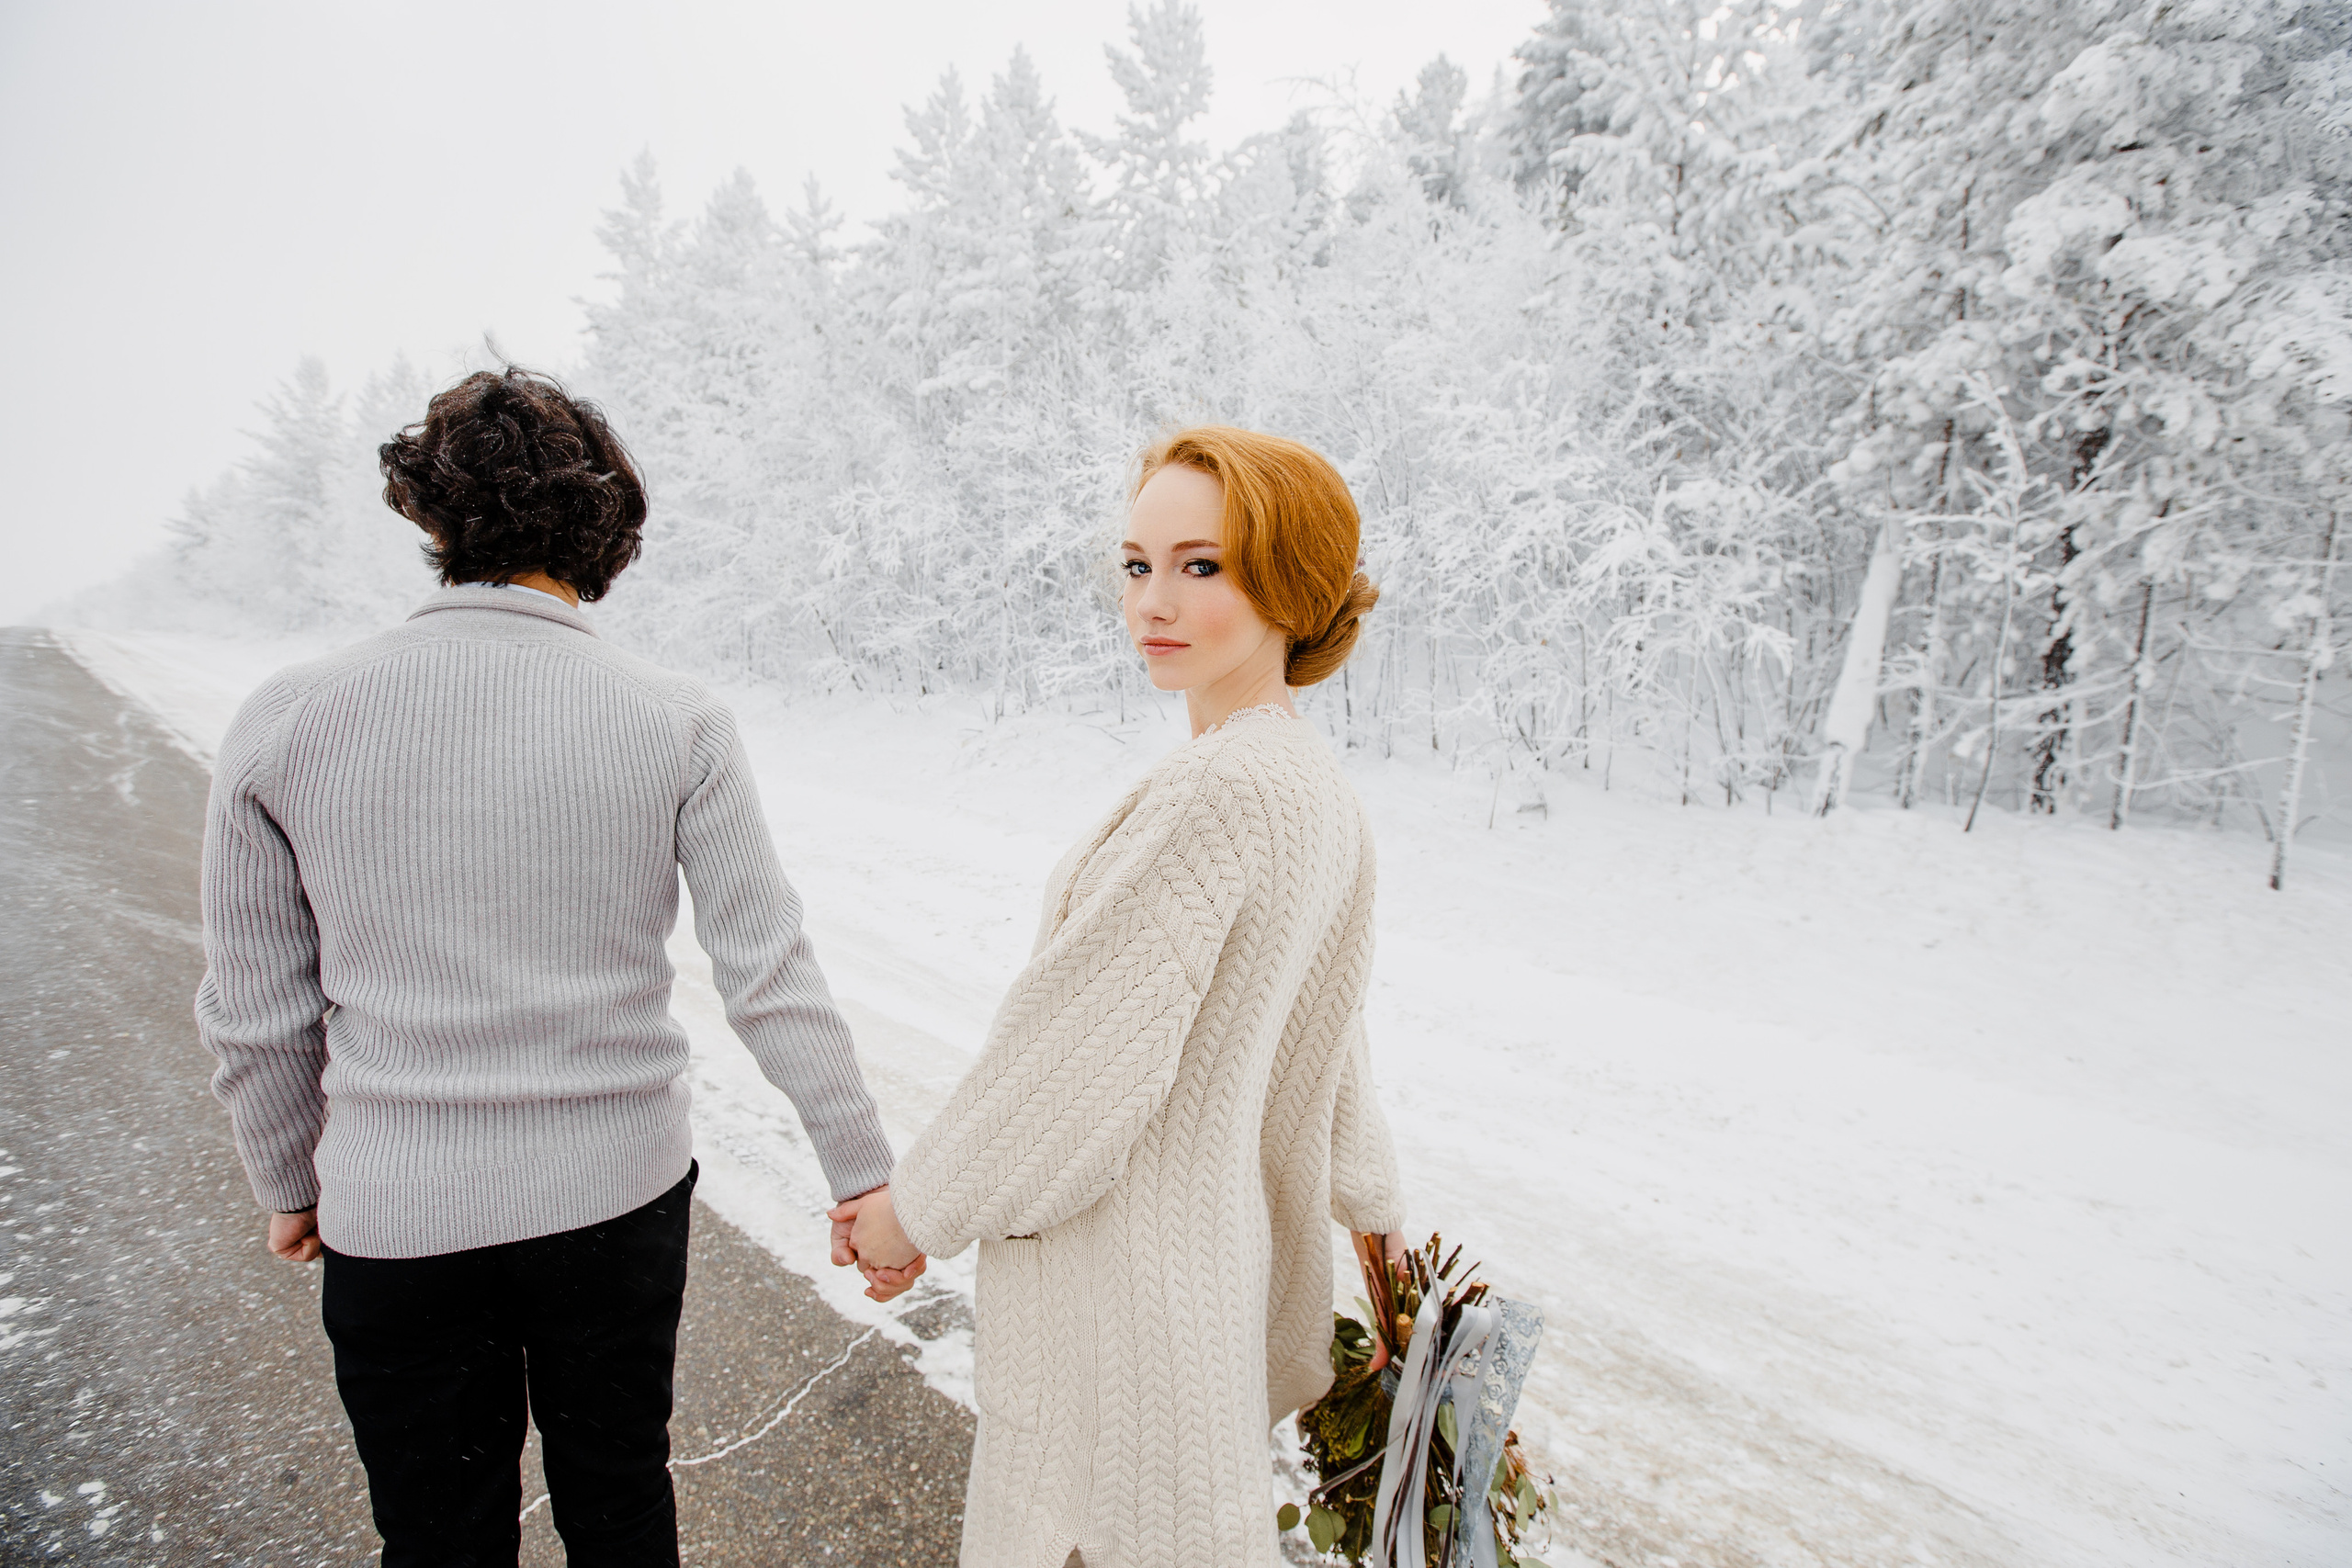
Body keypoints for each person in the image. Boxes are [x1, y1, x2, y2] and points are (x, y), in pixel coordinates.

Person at [194, 367, 913, 1566]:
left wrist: (290, 1176)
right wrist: (865, 1176)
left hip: (397, 1212)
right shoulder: (673, 718)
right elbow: (768, 970)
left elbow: (255, 1007)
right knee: (619, 1501)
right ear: (605, 529)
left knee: (438, 1535)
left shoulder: (287, 717)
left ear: (432, 516)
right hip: (614, 1203)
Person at [839, 426, 1409, 1568]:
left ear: (1291, 579)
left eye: (1201, 566)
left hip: (1119, 1307)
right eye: (1137, 564)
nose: (1152, 601)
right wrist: (1380, 1226)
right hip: (1202, 1291)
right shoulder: (1313, 787)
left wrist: (910, 1217)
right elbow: (1333, 1043)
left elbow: (1068, 1067)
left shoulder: (1219, 791)